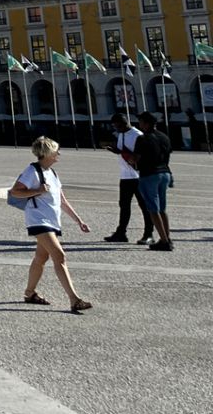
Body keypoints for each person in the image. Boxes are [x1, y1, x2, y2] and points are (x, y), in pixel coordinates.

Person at [10, 136, 93, 310]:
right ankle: (74, 299)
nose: (59, 154)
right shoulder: (32, 171)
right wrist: (37, 190)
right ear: (47, 153)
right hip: (39, 220)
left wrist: (79, 221)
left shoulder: (52, 173)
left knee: (41, 258)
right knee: (59, 256)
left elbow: (62, 201)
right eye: (56, 151)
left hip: (52, 221)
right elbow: (15, 192)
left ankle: (29, 293)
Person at [103, 112, 150, 244]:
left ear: (125, 123)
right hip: (125, 176)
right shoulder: (121, 134)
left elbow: (142, 155)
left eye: (118, 126)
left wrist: (121, 151)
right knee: (124, 205)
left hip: (138, 176)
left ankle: (148, 233)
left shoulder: (137, 135)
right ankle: (121, 232)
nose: (117, 129)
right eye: (115, 126)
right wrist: (116, 150)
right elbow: (123, 152)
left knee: (144, 206)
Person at [132, 112, 174, 252]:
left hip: (150, 174)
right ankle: (167, 237)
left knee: (153, 209)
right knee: (162, 209)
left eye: (141, 122)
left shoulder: (143, 138)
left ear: (146, 123)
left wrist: (129, 159)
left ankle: (164, 241)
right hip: (165, 173)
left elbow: (135, 158)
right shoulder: (164, 137)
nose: (139, 124)